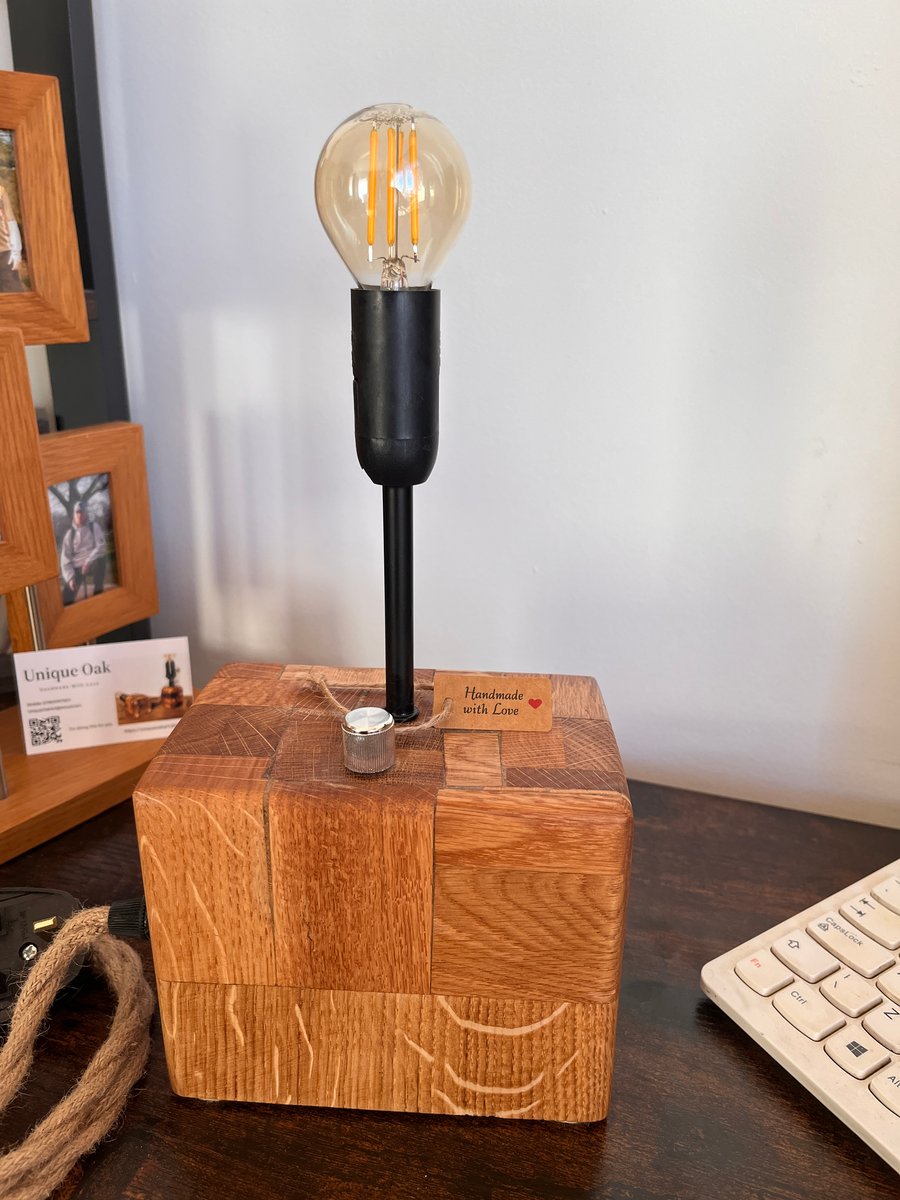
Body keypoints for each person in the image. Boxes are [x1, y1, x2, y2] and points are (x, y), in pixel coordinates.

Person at [59, 501, 107, 606]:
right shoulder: (69, 535)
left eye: (82, 512)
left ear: (86, 513)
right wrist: (70, 578)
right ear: (74, 514)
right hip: (76, 568)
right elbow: (65, 560)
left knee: (100, 562)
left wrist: (88, 562)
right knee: (65, 600)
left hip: (92, 562)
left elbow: (101, 547)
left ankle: (98, 598)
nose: (80, 515)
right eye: (77, 512)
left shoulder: (94, 527)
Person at [0, 184, 24, 292]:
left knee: (12, 289)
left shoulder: (1, 191)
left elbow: (10, 220)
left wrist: (16, 252)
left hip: (4, 252)